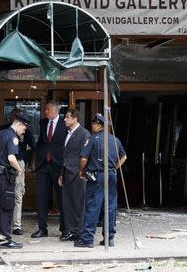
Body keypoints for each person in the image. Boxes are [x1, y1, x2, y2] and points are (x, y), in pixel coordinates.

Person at [74, 113, 127, 248]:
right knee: (110, 207)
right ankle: (109, 239)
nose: (91, 126)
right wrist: (114, 167)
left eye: (93, 124)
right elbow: (124, 157)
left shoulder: (93, 139)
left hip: (97, 176)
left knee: (93, 206)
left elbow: (83, 158)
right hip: (111, 175)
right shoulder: (115, 140)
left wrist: (81, 171)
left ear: (99, 124)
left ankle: (87, 239)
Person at [0, 114, 30, 249]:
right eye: (24, 128)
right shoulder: (12, 137)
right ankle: (5, 239)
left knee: (0, 206)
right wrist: (19, 169)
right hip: (6, 176)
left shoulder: (0, 133)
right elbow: (11, 158)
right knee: (7, 207)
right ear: (19, 124)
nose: (24, 131)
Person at [31, 101, 68, 239]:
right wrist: (36, 158)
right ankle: (42, 229)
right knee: (41, 197)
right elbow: (42, 141)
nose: (45, 111)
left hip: (58, 166)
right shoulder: (42, 123)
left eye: (47, 109)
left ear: (56, 111)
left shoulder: (65, 123)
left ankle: (65, 229)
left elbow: (66, 144)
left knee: (61, 198)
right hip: (43, 165)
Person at [0, 108, 36, 236]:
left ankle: (16, 225)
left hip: (19, 163)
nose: (15, 117)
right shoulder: (3, 130)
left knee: (17, 194)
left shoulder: (26, 131)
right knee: (3, 194)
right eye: (14, 115)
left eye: (18, 116)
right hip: (5, 163)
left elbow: (33, 148)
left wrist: (29, 165)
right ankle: (3, 225)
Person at [58, 108, 90, 241]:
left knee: (78, 203)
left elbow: (85, 155)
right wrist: (61, 174)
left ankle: (80, 231)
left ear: (75, 119)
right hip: (67, 172)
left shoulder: (84, 134)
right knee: (68, 203)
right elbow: (65, 155)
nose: (64, 119)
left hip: (77, 173)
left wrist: (81, 171)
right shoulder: (68, 133)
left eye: (67, 117)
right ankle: (72, 231)